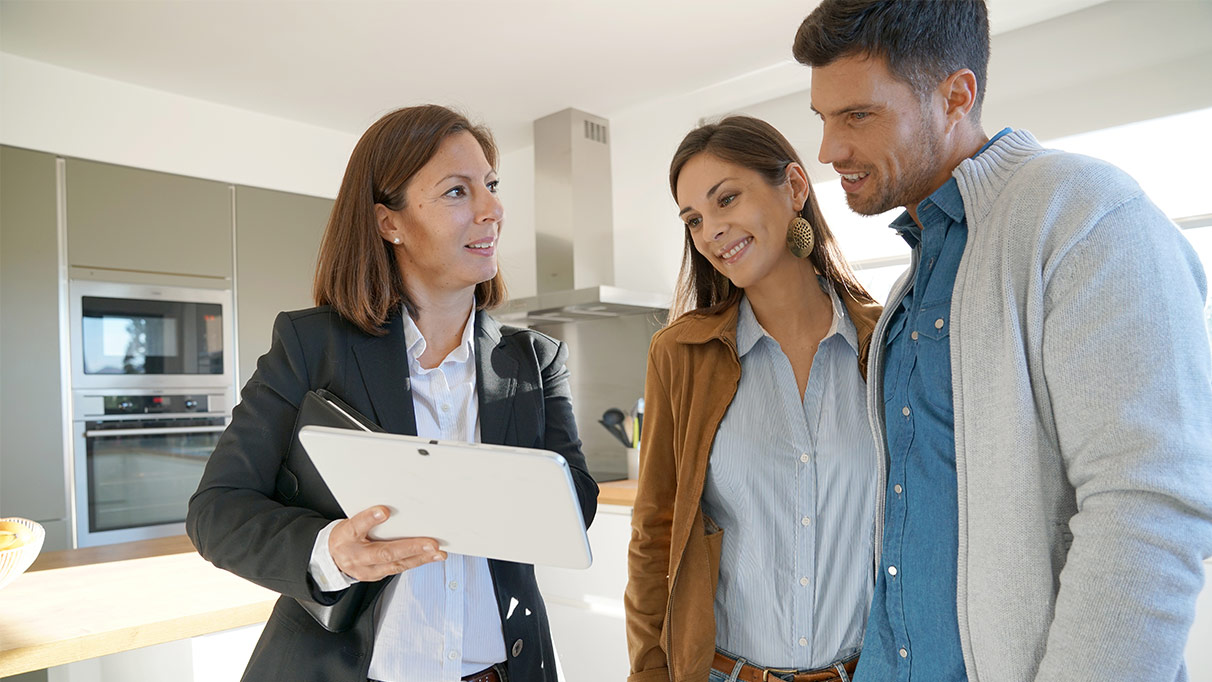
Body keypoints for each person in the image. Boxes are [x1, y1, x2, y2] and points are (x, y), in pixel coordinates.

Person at [792, 1, 1212, 680]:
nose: (829, 151)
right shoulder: (920, 273)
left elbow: (1150, 507)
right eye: (824, 118)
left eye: (857, 116)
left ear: (956, 96)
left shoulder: (1086, 213)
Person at [187, 104, 598, 682]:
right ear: (389, 223)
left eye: (491, 185)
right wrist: (332, 551)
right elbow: (217, 510)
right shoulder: (310, 345)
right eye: (458, 191)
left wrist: (500, 491)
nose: (492, 209)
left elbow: (577, 500)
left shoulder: (535, 359)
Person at [624, 115, 883, 682]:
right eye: (693, 219)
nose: (710, 230)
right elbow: (655, 540)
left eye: (727, 199)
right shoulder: (680, 355)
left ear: (793, 188)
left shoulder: (885, 344)